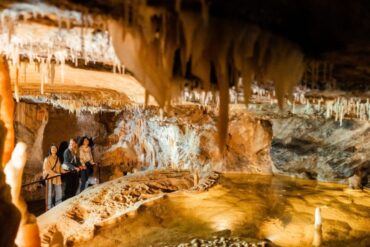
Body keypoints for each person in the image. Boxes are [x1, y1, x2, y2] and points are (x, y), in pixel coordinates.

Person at [42, 144, 63, 210]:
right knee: (50, 192)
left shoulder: (57, 158)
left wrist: (64, 171)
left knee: (59, 190)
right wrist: (54, 174)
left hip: (57, 177)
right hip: (50, 177)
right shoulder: (47, 158)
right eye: (52, 149)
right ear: (50, 150)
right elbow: (47, 169)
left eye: (55, 148)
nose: (54, 150)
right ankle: (49, 206)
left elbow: (60, 167)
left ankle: (58, 204)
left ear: (57, 150)